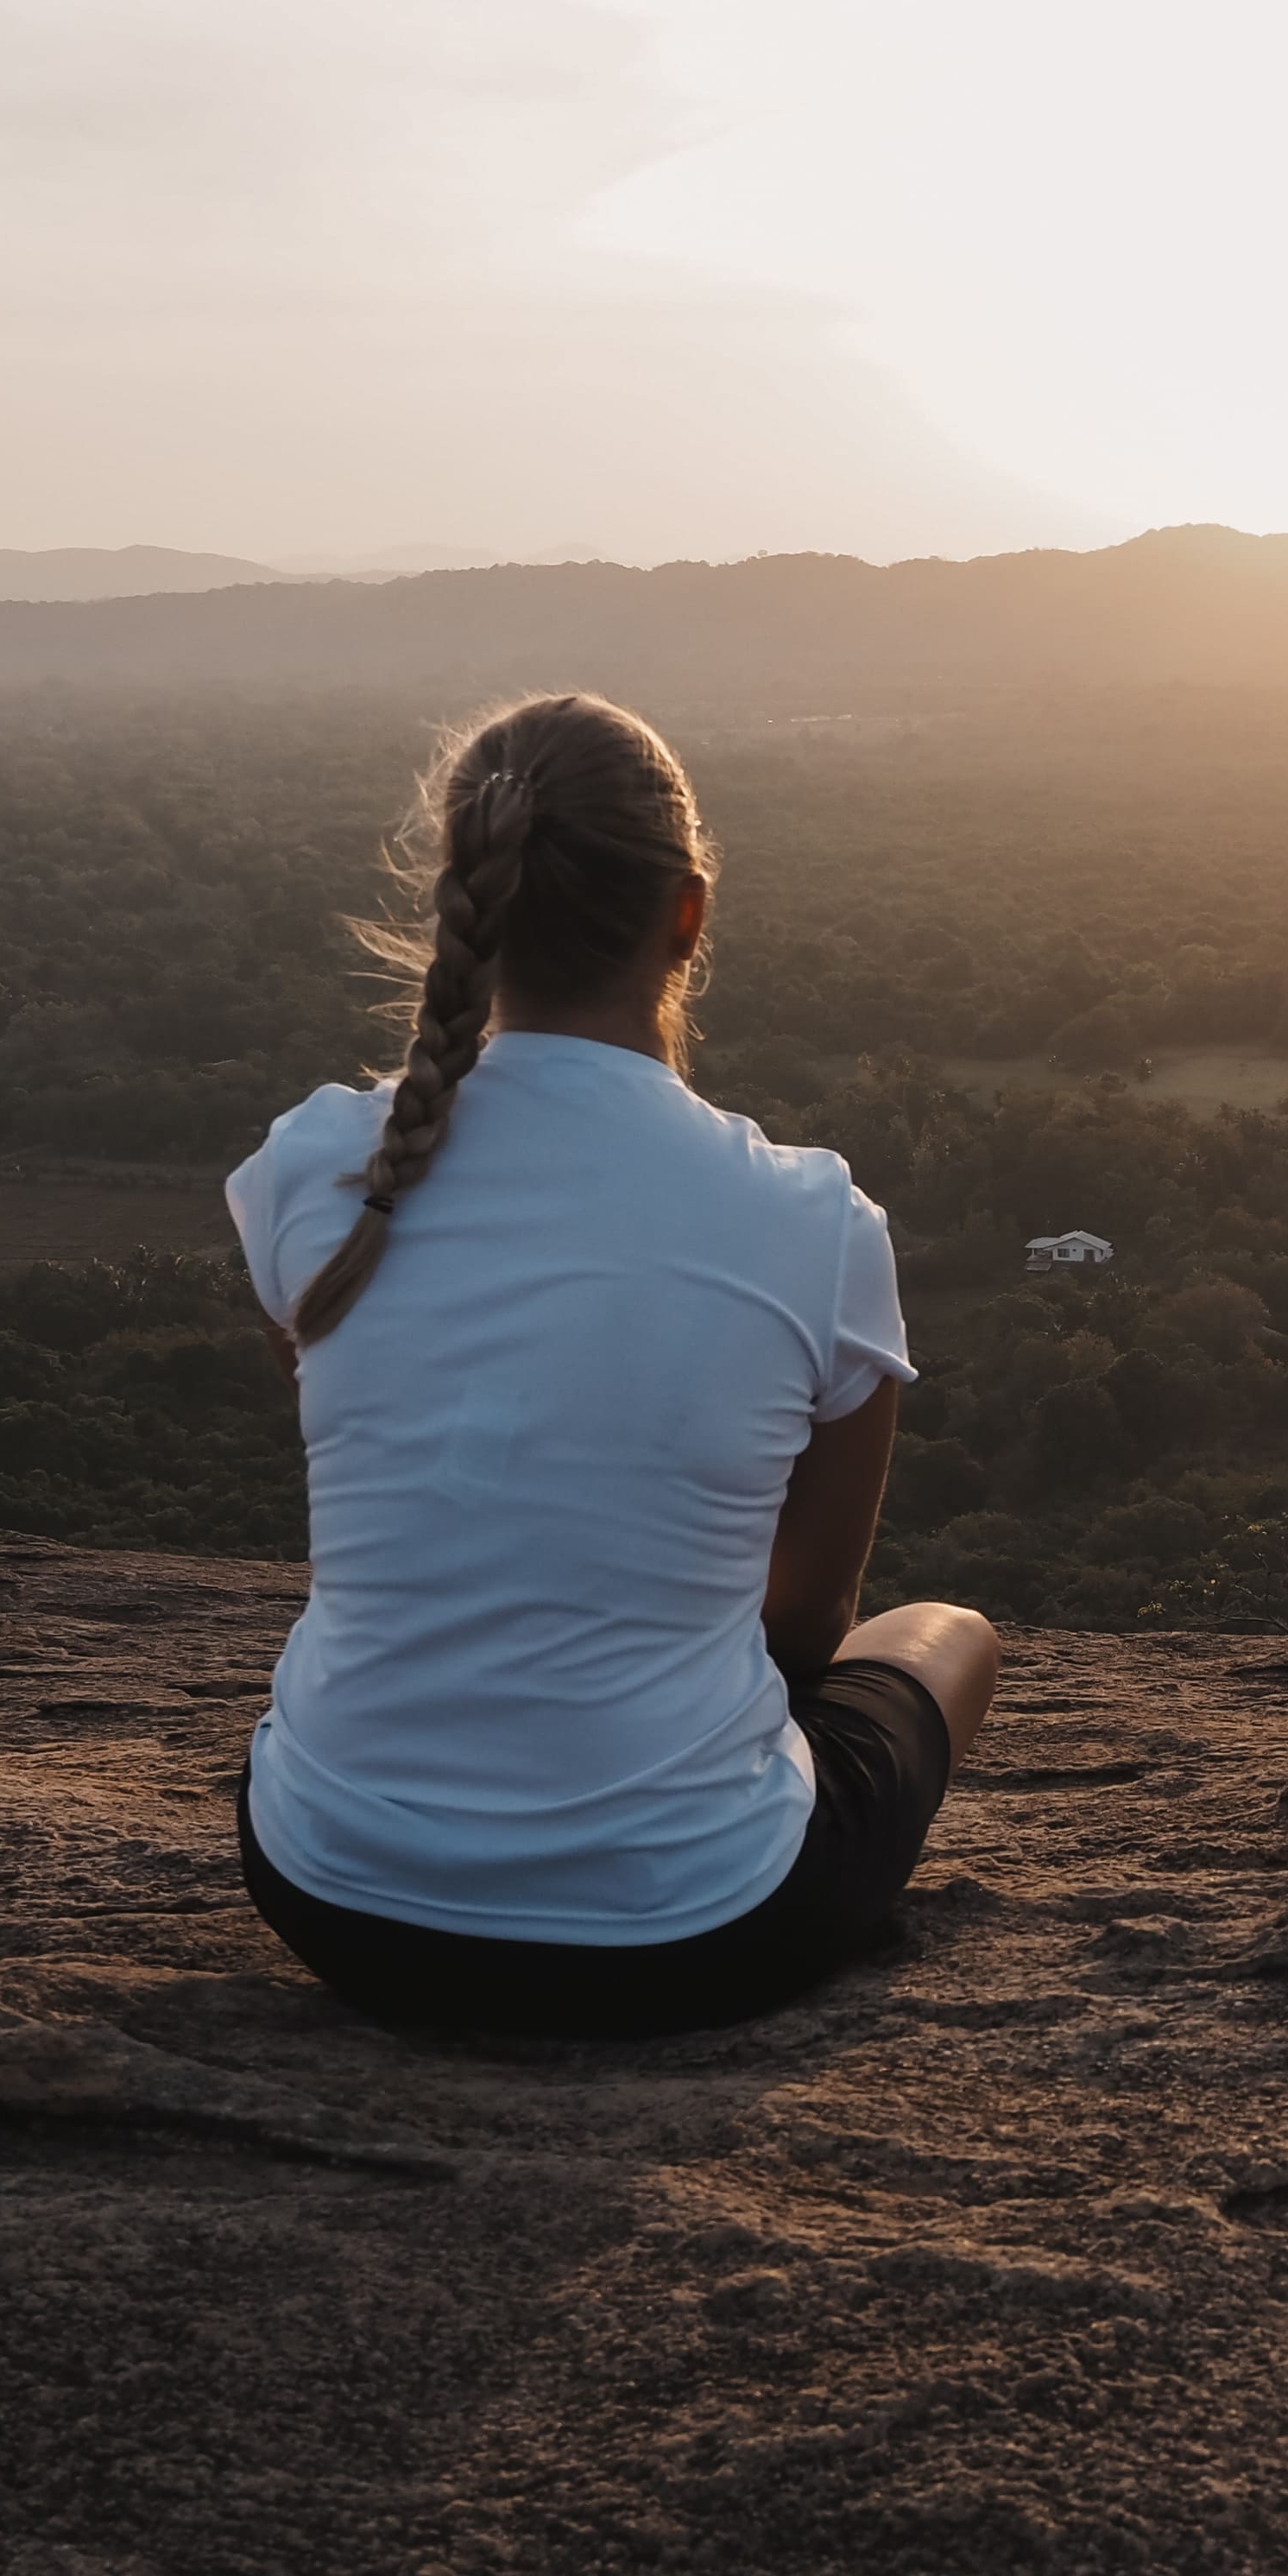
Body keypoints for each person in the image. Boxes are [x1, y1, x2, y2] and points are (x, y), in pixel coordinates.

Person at [221, 691, 998, 2039]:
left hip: (331, 1890)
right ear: (686, 914)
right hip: (692, 1926)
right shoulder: (814, 1223)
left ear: (467, 900)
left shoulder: (316, 1168)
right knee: (952, 1640)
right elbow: (806, 1629)